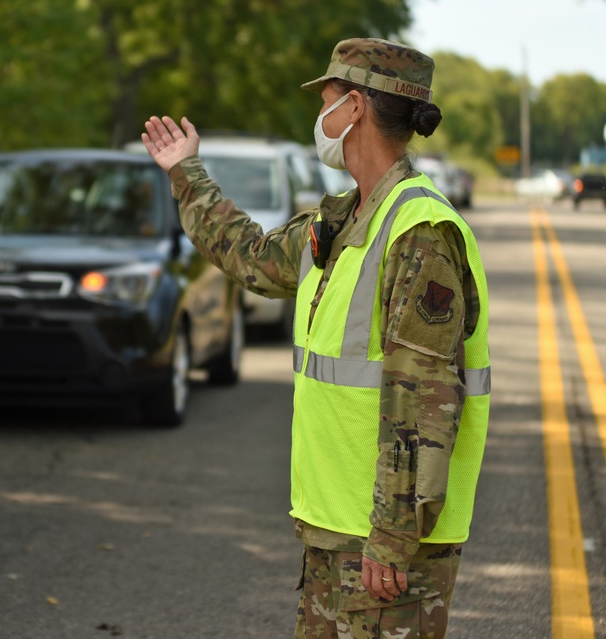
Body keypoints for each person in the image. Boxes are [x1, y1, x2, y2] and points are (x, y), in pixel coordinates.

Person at [141, 37, 490, 639]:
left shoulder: (419, 232)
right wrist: (186, 173)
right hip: (336, 529)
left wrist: (392, 538)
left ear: (354, 107)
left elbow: (425, 400)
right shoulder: (346, 217)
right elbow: (251, 257)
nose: (318, 117)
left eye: (326, 99)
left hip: (381, 547)